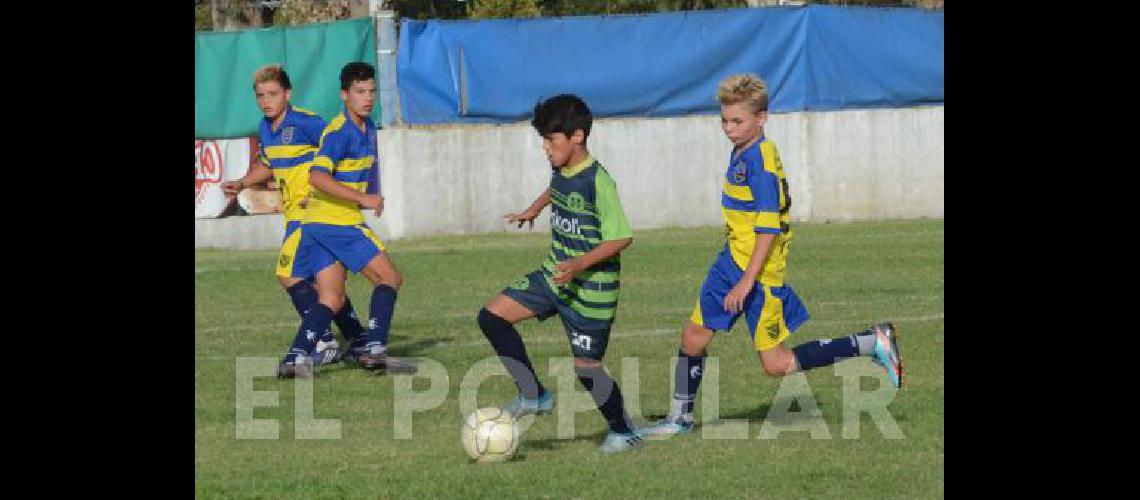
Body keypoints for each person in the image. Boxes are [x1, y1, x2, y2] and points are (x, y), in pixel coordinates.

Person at [639, 74, 904, 439]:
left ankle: (873, 342)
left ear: (761, 119)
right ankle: (678, 419)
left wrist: (747, 282)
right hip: (730, 262)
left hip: (758, 274)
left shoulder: (761, 164)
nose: (729, 130)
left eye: (737, 122)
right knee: (693, 336)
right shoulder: (743, 151)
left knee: (777, 364)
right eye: (724, 121)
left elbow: (769, 230)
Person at [477, 94, 644, 454]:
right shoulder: (563, 169)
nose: (545, 149)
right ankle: (533, 395)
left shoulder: (599, 181)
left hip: (591, 291)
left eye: (551, 141)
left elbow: (621, 238)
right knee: (491, 318)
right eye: (544, 141)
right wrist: (533, 209)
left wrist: (580, 265)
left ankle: (624, 431)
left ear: (577, 137)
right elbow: (556, 187)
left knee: (586, 369)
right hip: (555, 276)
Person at [276, 62, 414, 378]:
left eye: (371, 91)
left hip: (318, 223)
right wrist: (364, 199)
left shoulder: (368, 129)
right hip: (337, 222)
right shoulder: (339, 131)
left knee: (331, 298)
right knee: (389, 278)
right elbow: (317, 176)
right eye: (359, 92)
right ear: (344, 94)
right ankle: (374, 349)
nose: (367, 98)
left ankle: (295, 357)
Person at [221, 64, 365, 367]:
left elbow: (338, 153)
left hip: (313, 214)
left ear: (287, 94)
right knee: (323, 285)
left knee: (288, 275)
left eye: (272, 94)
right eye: (260, 96)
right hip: (294, 216)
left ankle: (323, 341)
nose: (266, 101)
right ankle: (359, 339)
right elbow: (268, 164)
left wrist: (332, 193)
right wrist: (243, 182)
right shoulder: (265, 127)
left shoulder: (308, 123)